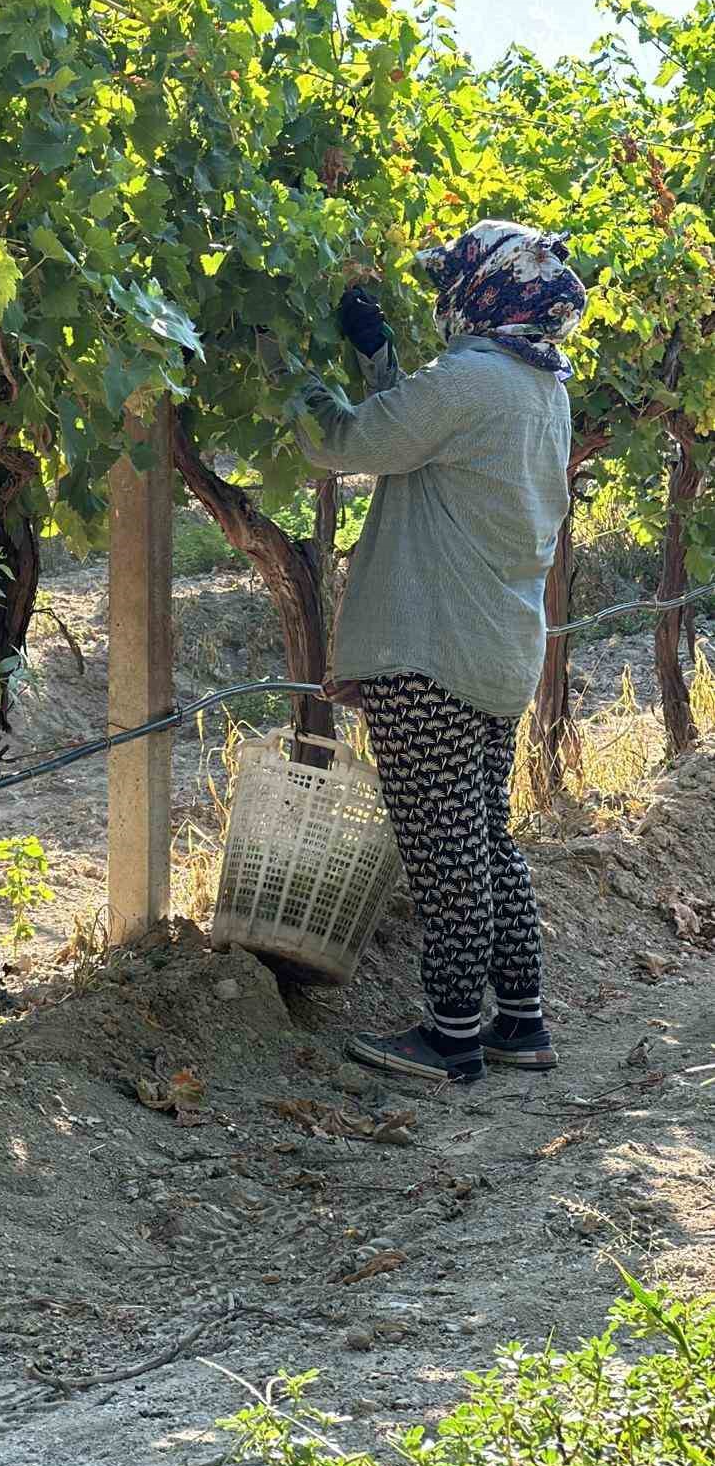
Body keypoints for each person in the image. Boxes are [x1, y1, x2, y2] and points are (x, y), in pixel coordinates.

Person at [260, 219, 587, 1084]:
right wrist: (376, 355)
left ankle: (451, 1039)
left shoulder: (471, 381)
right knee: (484, 836)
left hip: (431, 654)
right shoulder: (538, 388)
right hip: (494, 649)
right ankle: (520, 1024)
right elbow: (420, 442)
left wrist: (284, 367)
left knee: (443, 849)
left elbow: (345, 444)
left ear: (485, 293)